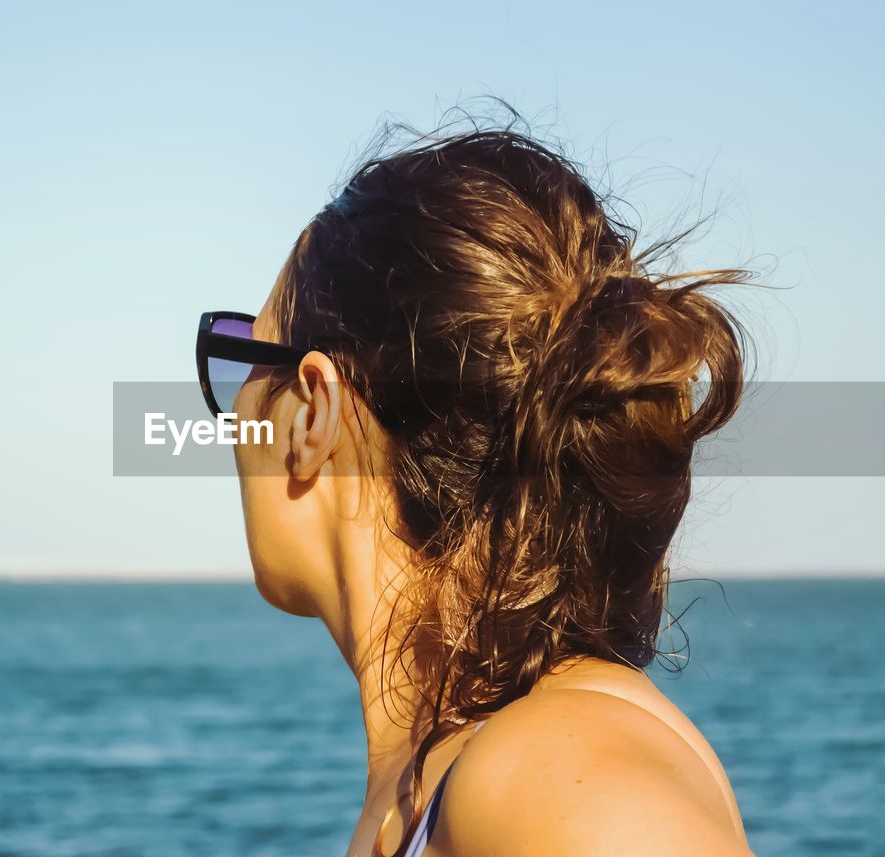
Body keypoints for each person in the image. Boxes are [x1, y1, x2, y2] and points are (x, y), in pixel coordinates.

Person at [194, 101, 756, 857]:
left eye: (244, 364)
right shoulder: (467, 776)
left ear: (313, 413)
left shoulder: (548, 772)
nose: (232, 422)